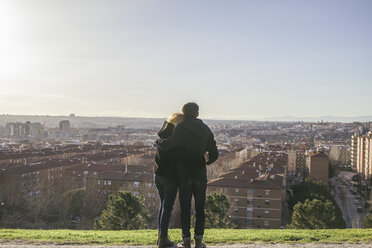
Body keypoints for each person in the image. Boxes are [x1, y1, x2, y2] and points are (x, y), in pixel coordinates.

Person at [156, 102, 219, 248]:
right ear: (197, 113)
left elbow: (167, 145)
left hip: (184, 174)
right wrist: (205, 162)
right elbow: (214, 154)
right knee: (200, 209)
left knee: (185, 209)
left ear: (183, 114)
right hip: (200, 173)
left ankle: (186, 241)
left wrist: (158, 142)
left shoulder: (181, 129)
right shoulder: (206, 129)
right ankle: (199, 241)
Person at [155, 113, 185, 248]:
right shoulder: (176, 138)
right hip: (170, 177)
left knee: (163, 206)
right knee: (167, 207)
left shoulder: (162, 136)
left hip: (158, 175)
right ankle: (163, 239)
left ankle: (161, 235)